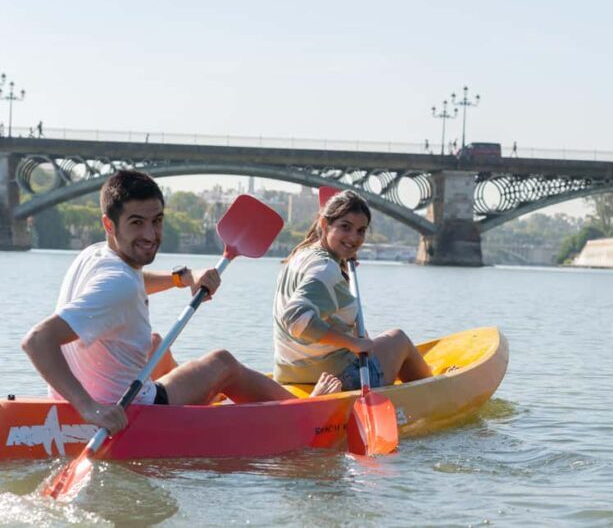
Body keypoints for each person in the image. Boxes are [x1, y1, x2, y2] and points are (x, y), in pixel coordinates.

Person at [21, 170, 341, 436]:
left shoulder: (96, 254)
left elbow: (130, 285)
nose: (150, 234)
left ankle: (197, 403)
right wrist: (89, 409)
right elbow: (37, 340)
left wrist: (182, 279)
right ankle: (305, 410)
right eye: (136, 223)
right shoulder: (117, 284)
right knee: (222, 363)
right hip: (123, 410)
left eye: (157, 221)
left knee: (155, 342)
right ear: (109, 224)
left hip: (83, 396)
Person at [272, 189, 432, 391]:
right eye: (345, 227)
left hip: (289, 374)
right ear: (324, 224)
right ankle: (435, 388)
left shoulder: (300, 255)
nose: (354, 237)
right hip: (337, 377)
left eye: (361, 231)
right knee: (399, 339)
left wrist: (341, 258)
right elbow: (295, 319)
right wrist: (352, 343)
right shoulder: (326, 269)